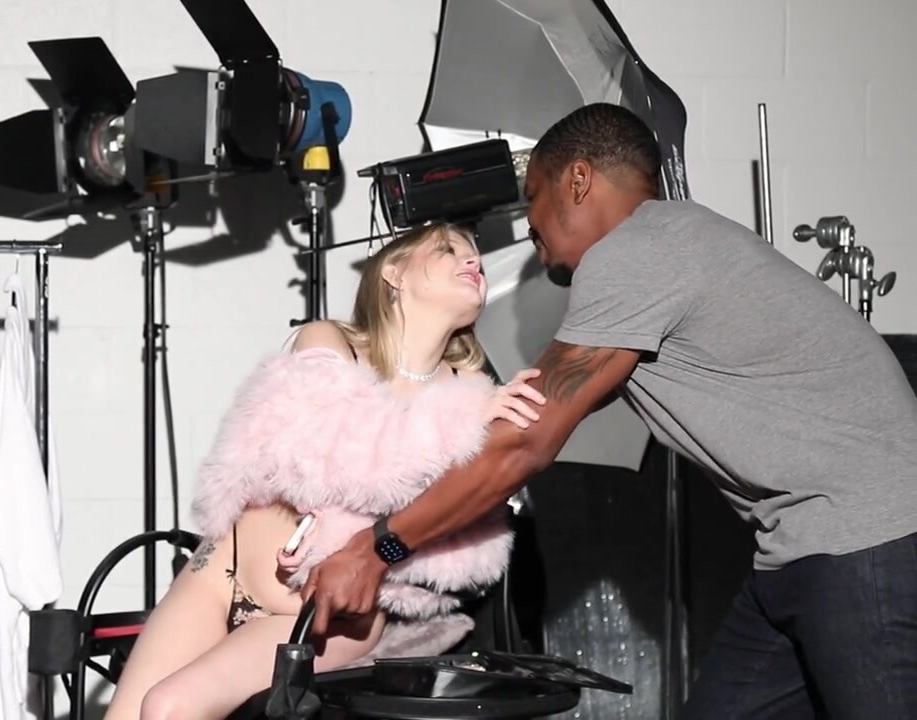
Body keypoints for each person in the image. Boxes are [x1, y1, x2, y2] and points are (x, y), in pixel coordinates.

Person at [300, 101, 917, 719]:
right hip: (799, 548)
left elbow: (525, 442)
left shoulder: (636, 252)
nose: (531, 232)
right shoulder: (674, 243)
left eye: (533, 200)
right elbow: (520, 424)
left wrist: (373, 549)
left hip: (867, 541)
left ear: (578, 180)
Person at [104, 222, 548, 720]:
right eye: (448, 250)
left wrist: (479, 430)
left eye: (478, 261)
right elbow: (327, 450)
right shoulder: (332, 341)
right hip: (220, 573)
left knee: (168, 707)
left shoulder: (472, 394)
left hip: (332, 617)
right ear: (394, 273)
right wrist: (459, 427)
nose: (473, 263)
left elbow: (461, 530)